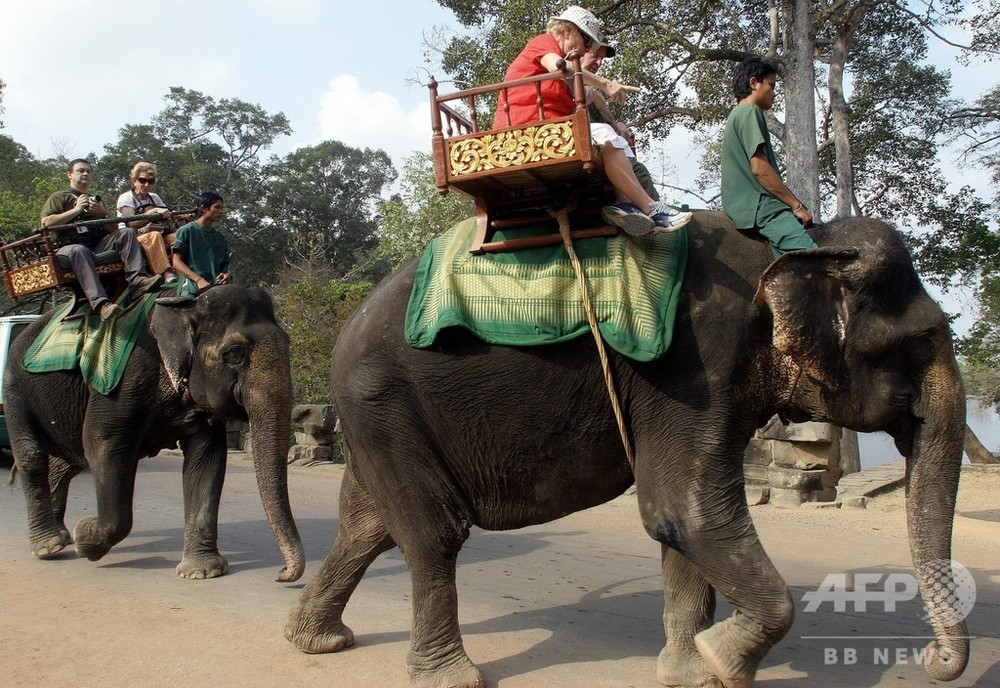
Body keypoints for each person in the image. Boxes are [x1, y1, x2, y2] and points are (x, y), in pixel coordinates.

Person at [493, 5, 692, 235]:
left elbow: (586, 94)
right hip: (528, 132)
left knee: (614, 137)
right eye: (587, 42)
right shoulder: (545, 42)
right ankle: (651, 207)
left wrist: (609, 111)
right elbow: (560, 66)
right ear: (567, 30)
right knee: (603, 134)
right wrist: (606, 84)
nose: (587, 49)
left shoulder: (563, 84)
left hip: (546, 130)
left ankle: (625, 204)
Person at [40, 159, 162, 321]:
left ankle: (138, 281)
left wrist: (103, 213)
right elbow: (45, 223)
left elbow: (113, 230)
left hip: (96, 244)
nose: (85, 174)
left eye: (88, 171)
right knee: (79, 250)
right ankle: (101, 304)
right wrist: (76, 210)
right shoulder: (59, 197)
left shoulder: (94, 200)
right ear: (69, 174)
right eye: (80, 171)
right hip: (68, 246)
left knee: (126, 233)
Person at [721, 57, 817, 257]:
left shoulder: (738, 115)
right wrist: (796, 205)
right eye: (771, 86)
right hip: (760, 205)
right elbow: (760, 168)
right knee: (815, 260)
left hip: (751, 204)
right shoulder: (749, 112)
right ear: (754, 83)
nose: (774, 94)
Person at [580, 46, 659, 202]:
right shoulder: (561, 76)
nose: (599, 62)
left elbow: (605, 115)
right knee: (607, 135)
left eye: (602, 59)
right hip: (570, 145)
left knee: (639, 170)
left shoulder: (591, 90)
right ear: (580, 50)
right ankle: (634, 208)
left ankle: (653, 215)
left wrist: (617, 123)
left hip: (603, 153)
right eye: (595, 55)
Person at [117, 161, 176, 281]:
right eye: (142, 180)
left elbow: (166, 214)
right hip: (132, 238)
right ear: (134, 180)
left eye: (151, 181)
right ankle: (165, 272)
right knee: (153, 236)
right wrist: (153, 212)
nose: (146, 185)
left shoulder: (154, 197)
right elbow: (132, 223)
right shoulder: (126, 198)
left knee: (179, 236)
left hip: (158, 231)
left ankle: (185, 268)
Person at [171, 192, 231, 297]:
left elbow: (224, 266)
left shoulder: (220, 237)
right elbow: (176, 262)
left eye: (222, 208)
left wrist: (227, 274)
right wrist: (198, 280)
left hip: (217, 290)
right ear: (204, 208)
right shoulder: (187, 230)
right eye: (217, 207)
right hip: (192, 289)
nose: (221, 212)